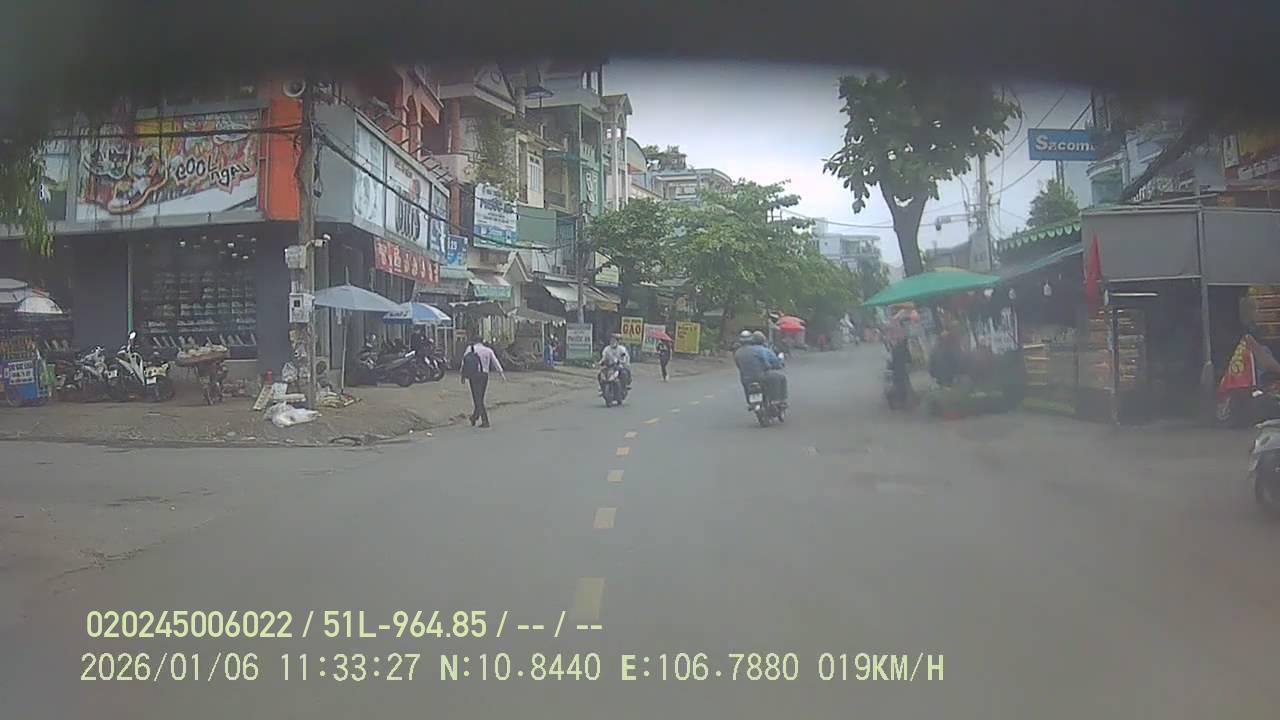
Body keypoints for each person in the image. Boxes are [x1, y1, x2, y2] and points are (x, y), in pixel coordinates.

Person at [460, 337, 505, 427]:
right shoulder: (488, 350)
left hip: (473, 375)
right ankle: (474, 417)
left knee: (477, 398)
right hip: (484, 376)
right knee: (480, 397)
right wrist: (501, 373)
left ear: (475, 341)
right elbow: (495, 362)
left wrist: (462, 375)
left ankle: (485, 421)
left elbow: (464, 362)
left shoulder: (470, 349)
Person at [734, 330, 787, 405]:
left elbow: (739, 366)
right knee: (780, 378)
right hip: (762, 376)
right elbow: (768, 364)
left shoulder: (738, 352)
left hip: (746, 379)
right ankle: (778, 400)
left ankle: (751, 402)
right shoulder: (759, 349)